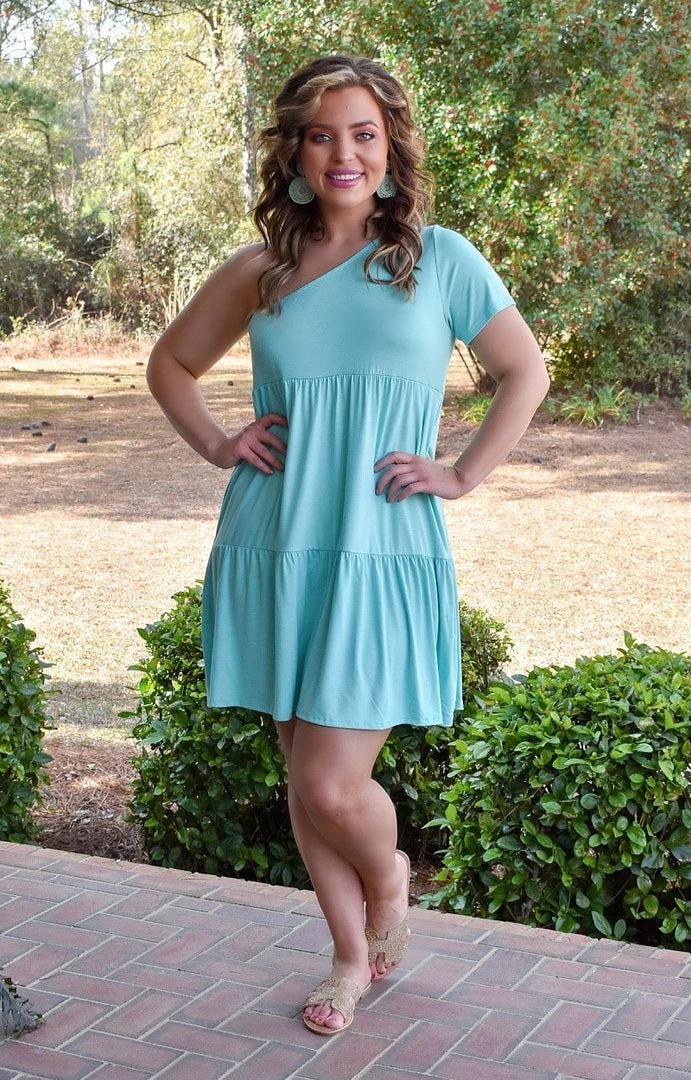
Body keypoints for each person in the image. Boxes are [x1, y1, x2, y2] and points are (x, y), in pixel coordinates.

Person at [147, 53, 550, 1036]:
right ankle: (346, 954)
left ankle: (389, 877)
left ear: (389, 146)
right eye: (321, 134)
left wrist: (460, 473)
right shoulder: (262, 270)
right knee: (303, 776)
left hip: (382, 548)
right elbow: (172, 363)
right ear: (294, 151)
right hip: (274, 538)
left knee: (331, 781)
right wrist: (218, 442)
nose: (343, 153)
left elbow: (524, 371)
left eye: (362, 133)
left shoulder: (439, 258)